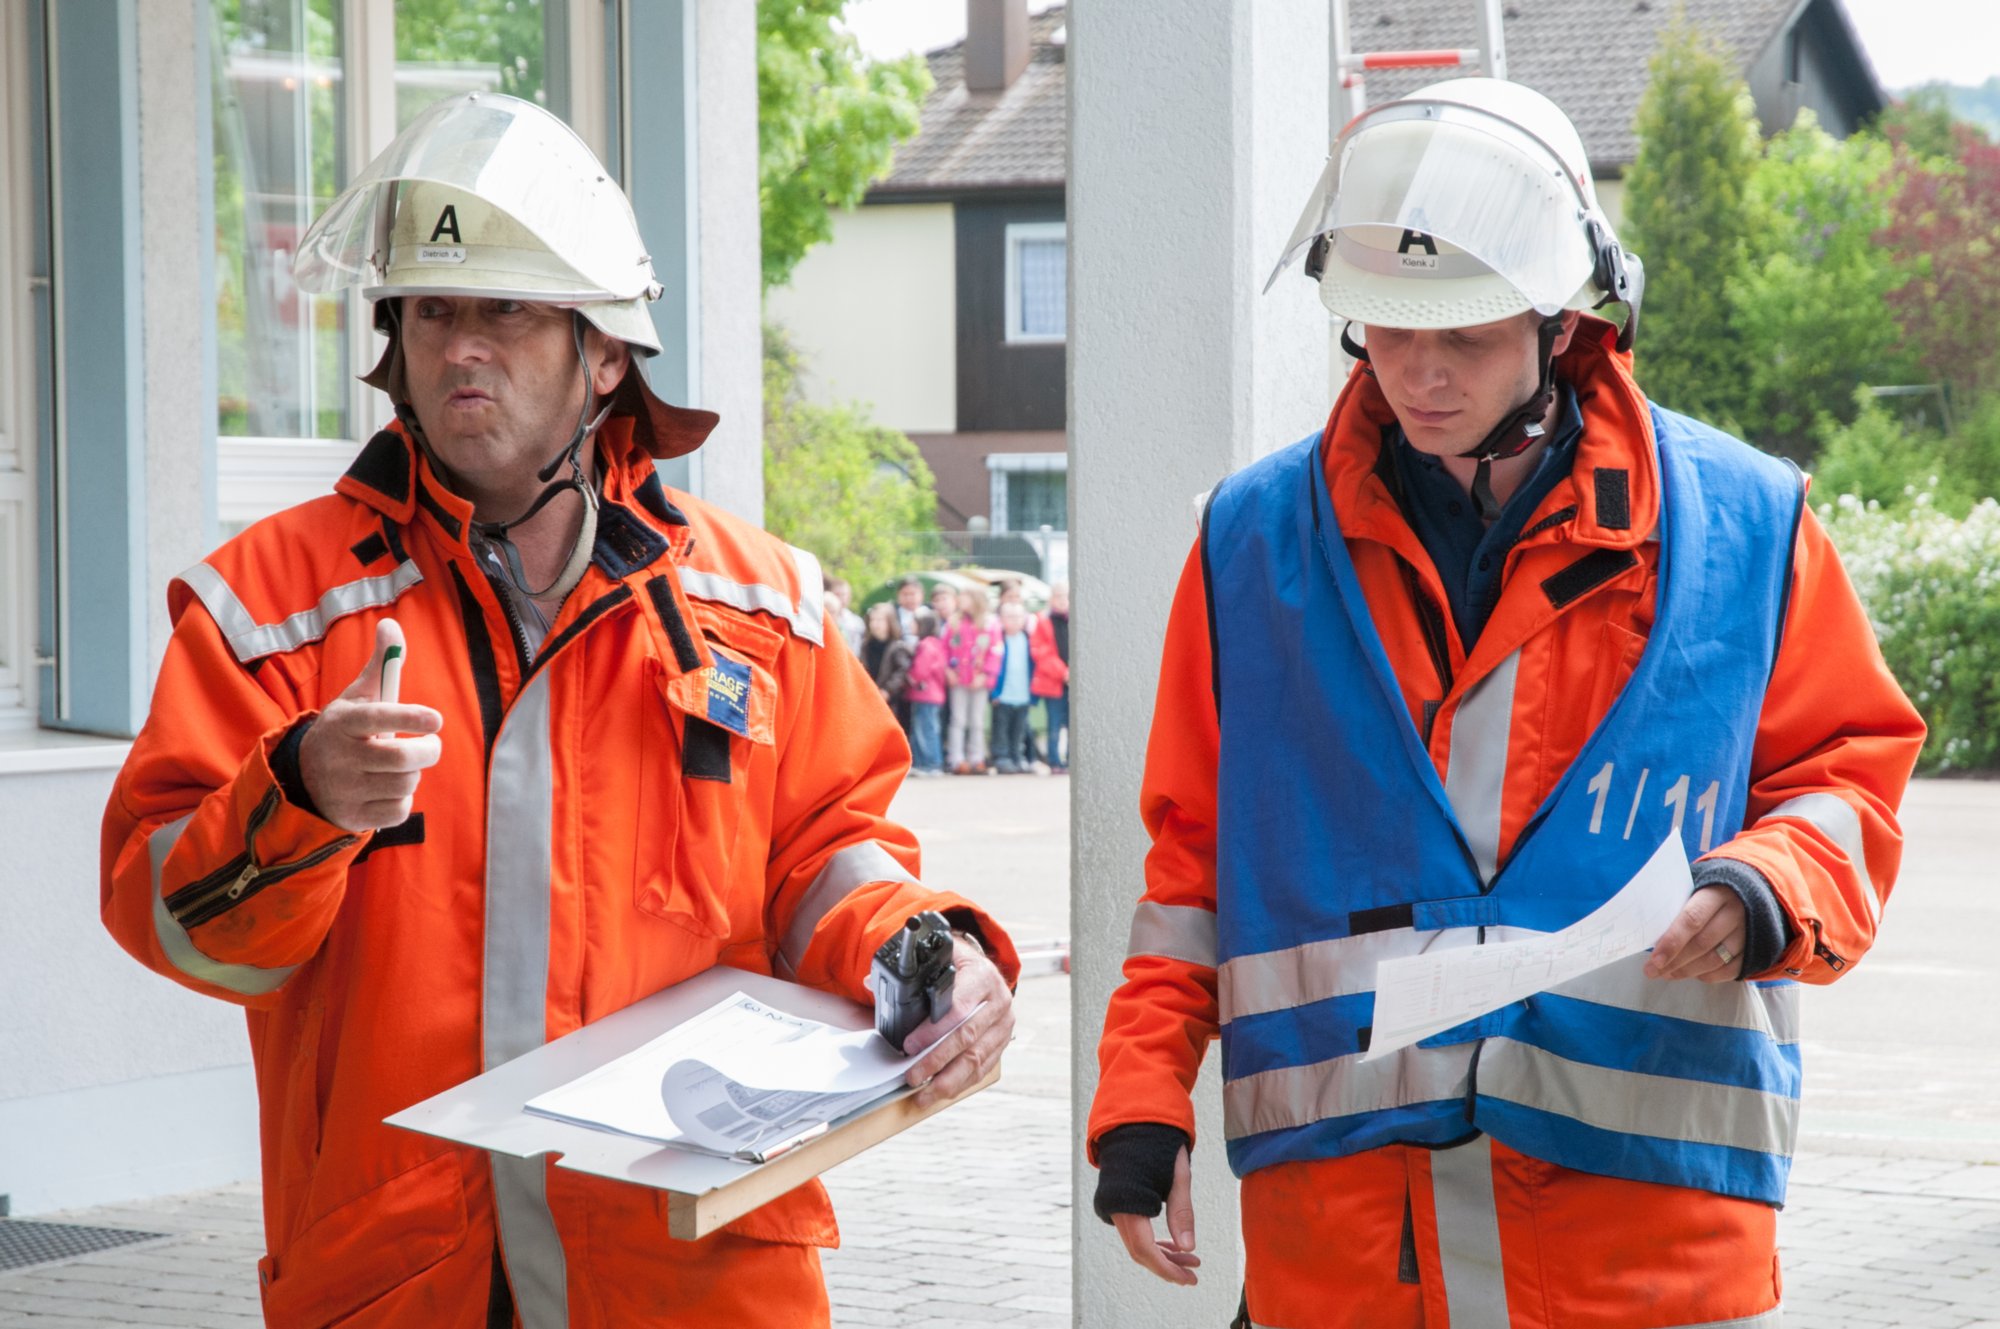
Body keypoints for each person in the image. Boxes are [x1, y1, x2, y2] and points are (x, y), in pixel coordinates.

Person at [100, 93, 1017, 1329]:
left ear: (603, 352)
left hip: (693, 1281)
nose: (460, 347)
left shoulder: (759, 603)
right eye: (433, 310)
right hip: (400, 1280)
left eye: (506, 310)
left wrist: (927, 953)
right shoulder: (270, 605)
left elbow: (823, 861)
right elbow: (176, 922)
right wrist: (300, 798)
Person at [1087, 78, 1923, 1329]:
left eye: (1463, 336)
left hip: (1636, 1259)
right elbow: (1190, 870)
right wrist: (1141, 1102)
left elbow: (1846, 774)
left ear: (1561, 320)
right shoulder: (1247, 544)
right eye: (1384, 330)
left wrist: (1767, 886)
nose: (1418, 375)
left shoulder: (1746, 527)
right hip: (1352, 1257)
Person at [944, 586, 1000, 775]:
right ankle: (956, 758)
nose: (961, 601)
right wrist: (948, 670)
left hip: (979, 680)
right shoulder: (954, 623)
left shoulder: (990, 624)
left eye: (965, 597)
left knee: (977, 720)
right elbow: (944, 649)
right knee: (958, 719)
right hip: (959, 679)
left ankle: (977, 757)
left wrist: (986, 674)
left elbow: (996, 651)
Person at [988, 601, 1035, 774]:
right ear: (1001, 619)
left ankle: (1018, 757)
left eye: (1018, 617)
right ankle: (1002, 757)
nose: (1014, 621)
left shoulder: (1029, 640)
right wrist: (993, 692)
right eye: (1009, 617)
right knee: (1001, 729)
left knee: (1019, 730)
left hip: (1023, 695)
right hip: (1003, 695)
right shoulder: (998, 639)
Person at [1029, 581, 1069, 773]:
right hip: (1054, 683)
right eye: (1059, 596)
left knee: (1072, 724)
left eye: (1066, 596)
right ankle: (1054, 761)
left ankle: (1071, 760)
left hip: (1072, 683)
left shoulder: (1074, 620)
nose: (1062, 600)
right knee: (1054, 723)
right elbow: (1042, 654)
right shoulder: (1043, 621)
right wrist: (1064, 673)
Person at [905, 608, 949, 777]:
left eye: (914, 622)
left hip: (926, 695)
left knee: (925, 729)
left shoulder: (925, 645)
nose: (910, 625)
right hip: (931, 695)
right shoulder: (935, 643)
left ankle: (931, 763)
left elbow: (920, 671)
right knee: (925, 729)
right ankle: (924, 763)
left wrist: (909, 677)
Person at [864, 603, 914, 733]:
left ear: (889, 622)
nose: (875, 624)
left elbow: (902, 672)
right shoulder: (866, 645)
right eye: (873, 620)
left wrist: (888, 690)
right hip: (870, 697)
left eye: (880, 620)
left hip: (892, 701)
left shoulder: (897, 646)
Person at [827, 575, 866, 654]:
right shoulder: (824, 618)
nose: (841, 598)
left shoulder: (856, 622)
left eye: (844, 594)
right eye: (837, 594)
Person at [893, 576, 925, 644]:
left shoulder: (929, 614)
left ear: (921, 595)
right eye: (905, 594)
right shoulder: (893, 615)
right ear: (898, 596)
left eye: (912, 594)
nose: (908, 598)